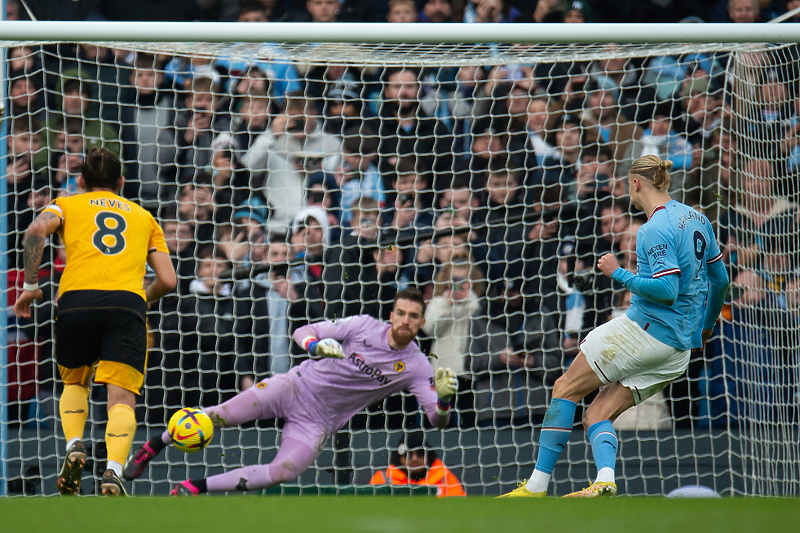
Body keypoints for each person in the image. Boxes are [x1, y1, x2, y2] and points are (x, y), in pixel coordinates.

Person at [498, 154, 729, 498]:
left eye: (627, 185)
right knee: (597, 414)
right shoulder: (697, 218)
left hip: (643, 331)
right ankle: (604, 479)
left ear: (635, 184)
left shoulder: (653, 228)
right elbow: (721, 280)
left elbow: (667, 290)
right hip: (678, 349)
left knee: (564, 388)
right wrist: (707, 326)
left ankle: (536, 487)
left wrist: (617, 272)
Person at [123, 289, 459, 496]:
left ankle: (194, 487)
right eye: (400, 313)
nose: (405, 320)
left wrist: (444, 399)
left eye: (413, 316)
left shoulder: (417, 365)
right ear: (391, 314)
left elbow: (437, 420)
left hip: (319, 420)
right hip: (293, 386)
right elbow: (304, 330)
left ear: (420, 322)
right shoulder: (363, 326)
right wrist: (316, 344)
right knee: (219, 416)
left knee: (283, 471)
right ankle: (154, 446)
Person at [13, 147, 177, 496]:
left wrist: (29, 286)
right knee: (121, 398)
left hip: (76, 302)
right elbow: (168, 280)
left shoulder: (67, 204)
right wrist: (138, 299)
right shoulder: (143, 216)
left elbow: (35, 230)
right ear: (121, 181)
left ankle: (74, 443)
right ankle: (114, 470)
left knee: (75, 383)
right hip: (126, 305)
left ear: (82, 181)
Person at [369, 431, 465, 497]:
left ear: (428, 456)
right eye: (408, 454)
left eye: (420, 453)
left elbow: (460, 507)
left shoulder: (444, 477)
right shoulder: (383, 479)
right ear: (399, 458)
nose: (414, 459)